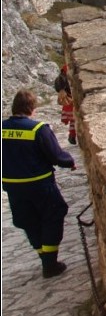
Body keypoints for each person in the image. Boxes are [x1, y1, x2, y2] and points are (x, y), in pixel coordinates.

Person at [2, 89, 76, 279]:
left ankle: (43, 256)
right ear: (31, 108)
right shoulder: (37, 129)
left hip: (13, 186)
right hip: (39, 184)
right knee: (53, 216)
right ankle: (50, 263)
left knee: (28, 220)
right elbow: (55, 155)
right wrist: (69, 162)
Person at [55, 64, 76, 145]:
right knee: (74, 118)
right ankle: (72, 135)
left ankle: (72, 135)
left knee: (73, 119)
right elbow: (61, 78)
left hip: (70, 97)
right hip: (70, 98)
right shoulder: (67, 67)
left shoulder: (66, 67)